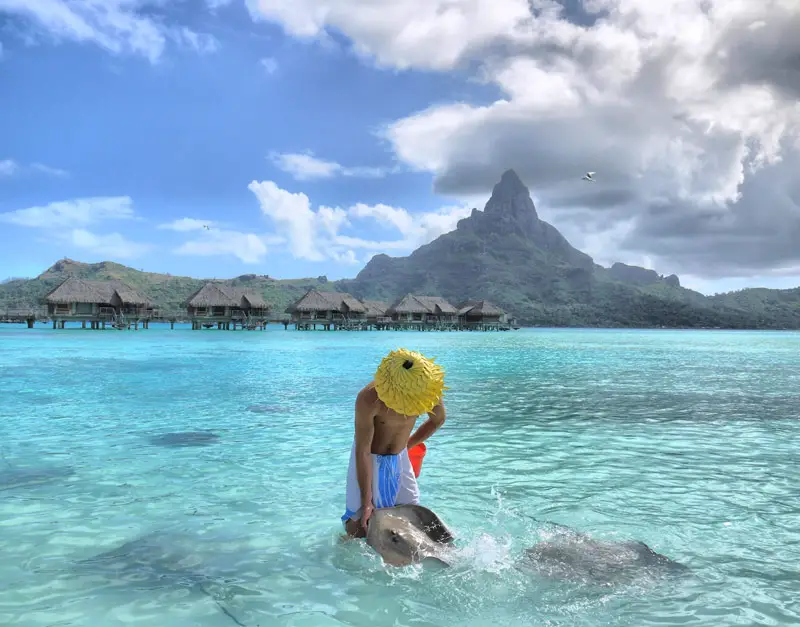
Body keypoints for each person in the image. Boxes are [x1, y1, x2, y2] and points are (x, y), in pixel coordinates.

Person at [341, 348, 448, 538]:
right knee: (359, 527)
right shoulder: (369, 398)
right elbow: (362, 450)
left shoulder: (426, 390)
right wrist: (367, 501)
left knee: (413, 518)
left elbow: (437, 420)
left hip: (400, 459)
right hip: (369, 459)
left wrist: (408, 446)